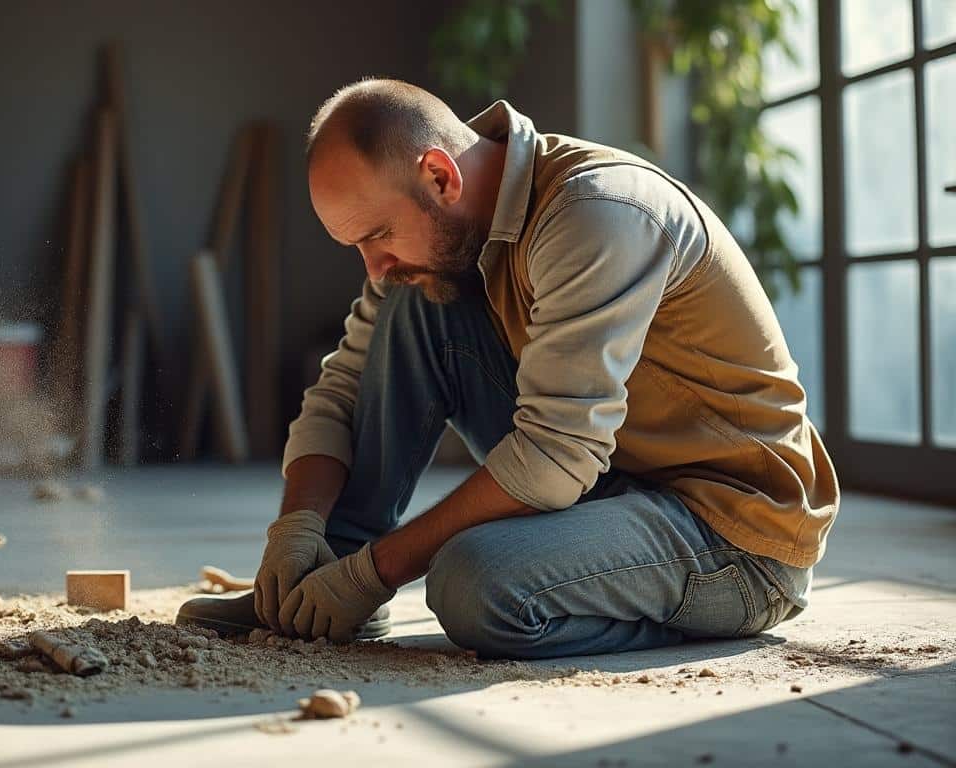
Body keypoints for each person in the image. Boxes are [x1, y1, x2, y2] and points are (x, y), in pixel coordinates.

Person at [178, 79, 838, 659]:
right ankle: (315, 588)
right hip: (612, 479)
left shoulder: (596, 212)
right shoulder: (440, 242)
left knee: (476, 586)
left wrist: (375, 573)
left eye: (376, 235)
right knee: (416, 303)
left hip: (731, 533)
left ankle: (690, 616)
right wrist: (300, 528)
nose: (372, 268)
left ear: (439, 175)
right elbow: (344, 390)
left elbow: (556, 453)